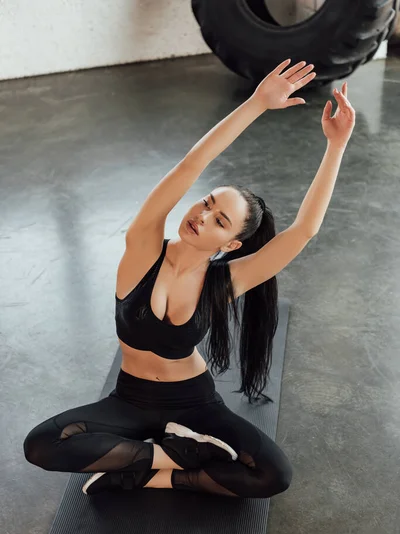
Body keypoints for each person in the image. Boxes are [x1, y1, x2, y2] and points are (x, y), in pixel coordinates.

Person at [23, 59, 355, 498]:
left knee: (275, 476)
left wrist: (336, 146)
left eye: (219, 221)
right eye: (206, 203)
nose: (201, 216)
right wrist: (255, 104)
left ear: (231, 244)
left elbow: (304, 231)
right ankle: (176, 455)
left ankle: (147, 471)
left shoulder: (227, 280)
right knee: (41, 445)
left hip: (193, 402)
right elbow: (188, 167)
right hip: (130, 400)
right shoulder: (143, 247)